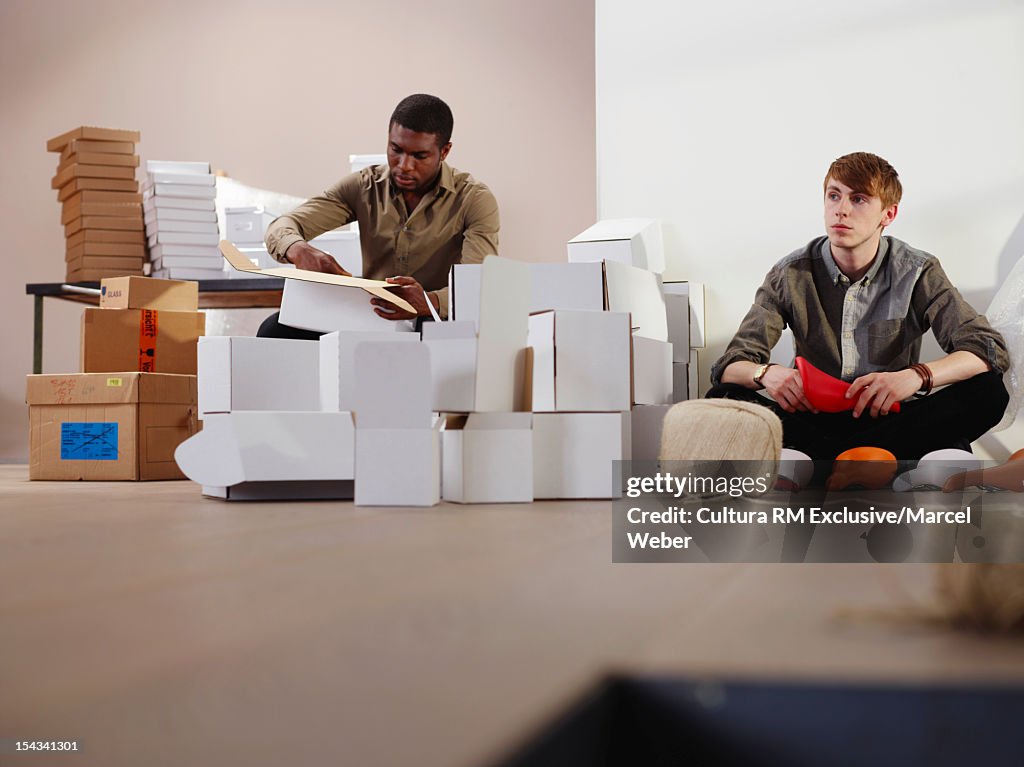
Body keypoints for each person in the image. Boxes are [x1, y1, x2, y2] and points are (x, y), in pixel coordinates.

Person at [708, 152, 1009, 461]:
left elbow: (987, 350)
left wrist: (915, 376)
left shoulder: (917, 270)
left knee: (988, 392)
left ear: (888, 215)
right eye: (834, 196)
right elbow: (730, 366)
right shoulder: (790, 273)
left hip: (893, 420)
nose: (841, 210)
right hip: (812, 419)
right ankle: (860, 460)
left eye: (859, 199)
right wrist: (766, 374)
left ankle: (824, 462)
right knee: (723, 399)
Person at [258, 93, 499, 338]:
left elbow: (478, 285)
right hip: (373, 318)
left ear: (444, 151)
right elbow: (282, 226)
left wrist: (430, 301)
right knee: (273, 329)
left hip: (436, 323)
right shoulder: (363, 187)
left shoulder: (474, 199)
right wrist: (300, 250)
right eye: (396, 149)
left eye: (419, 156)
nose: (404, 165)